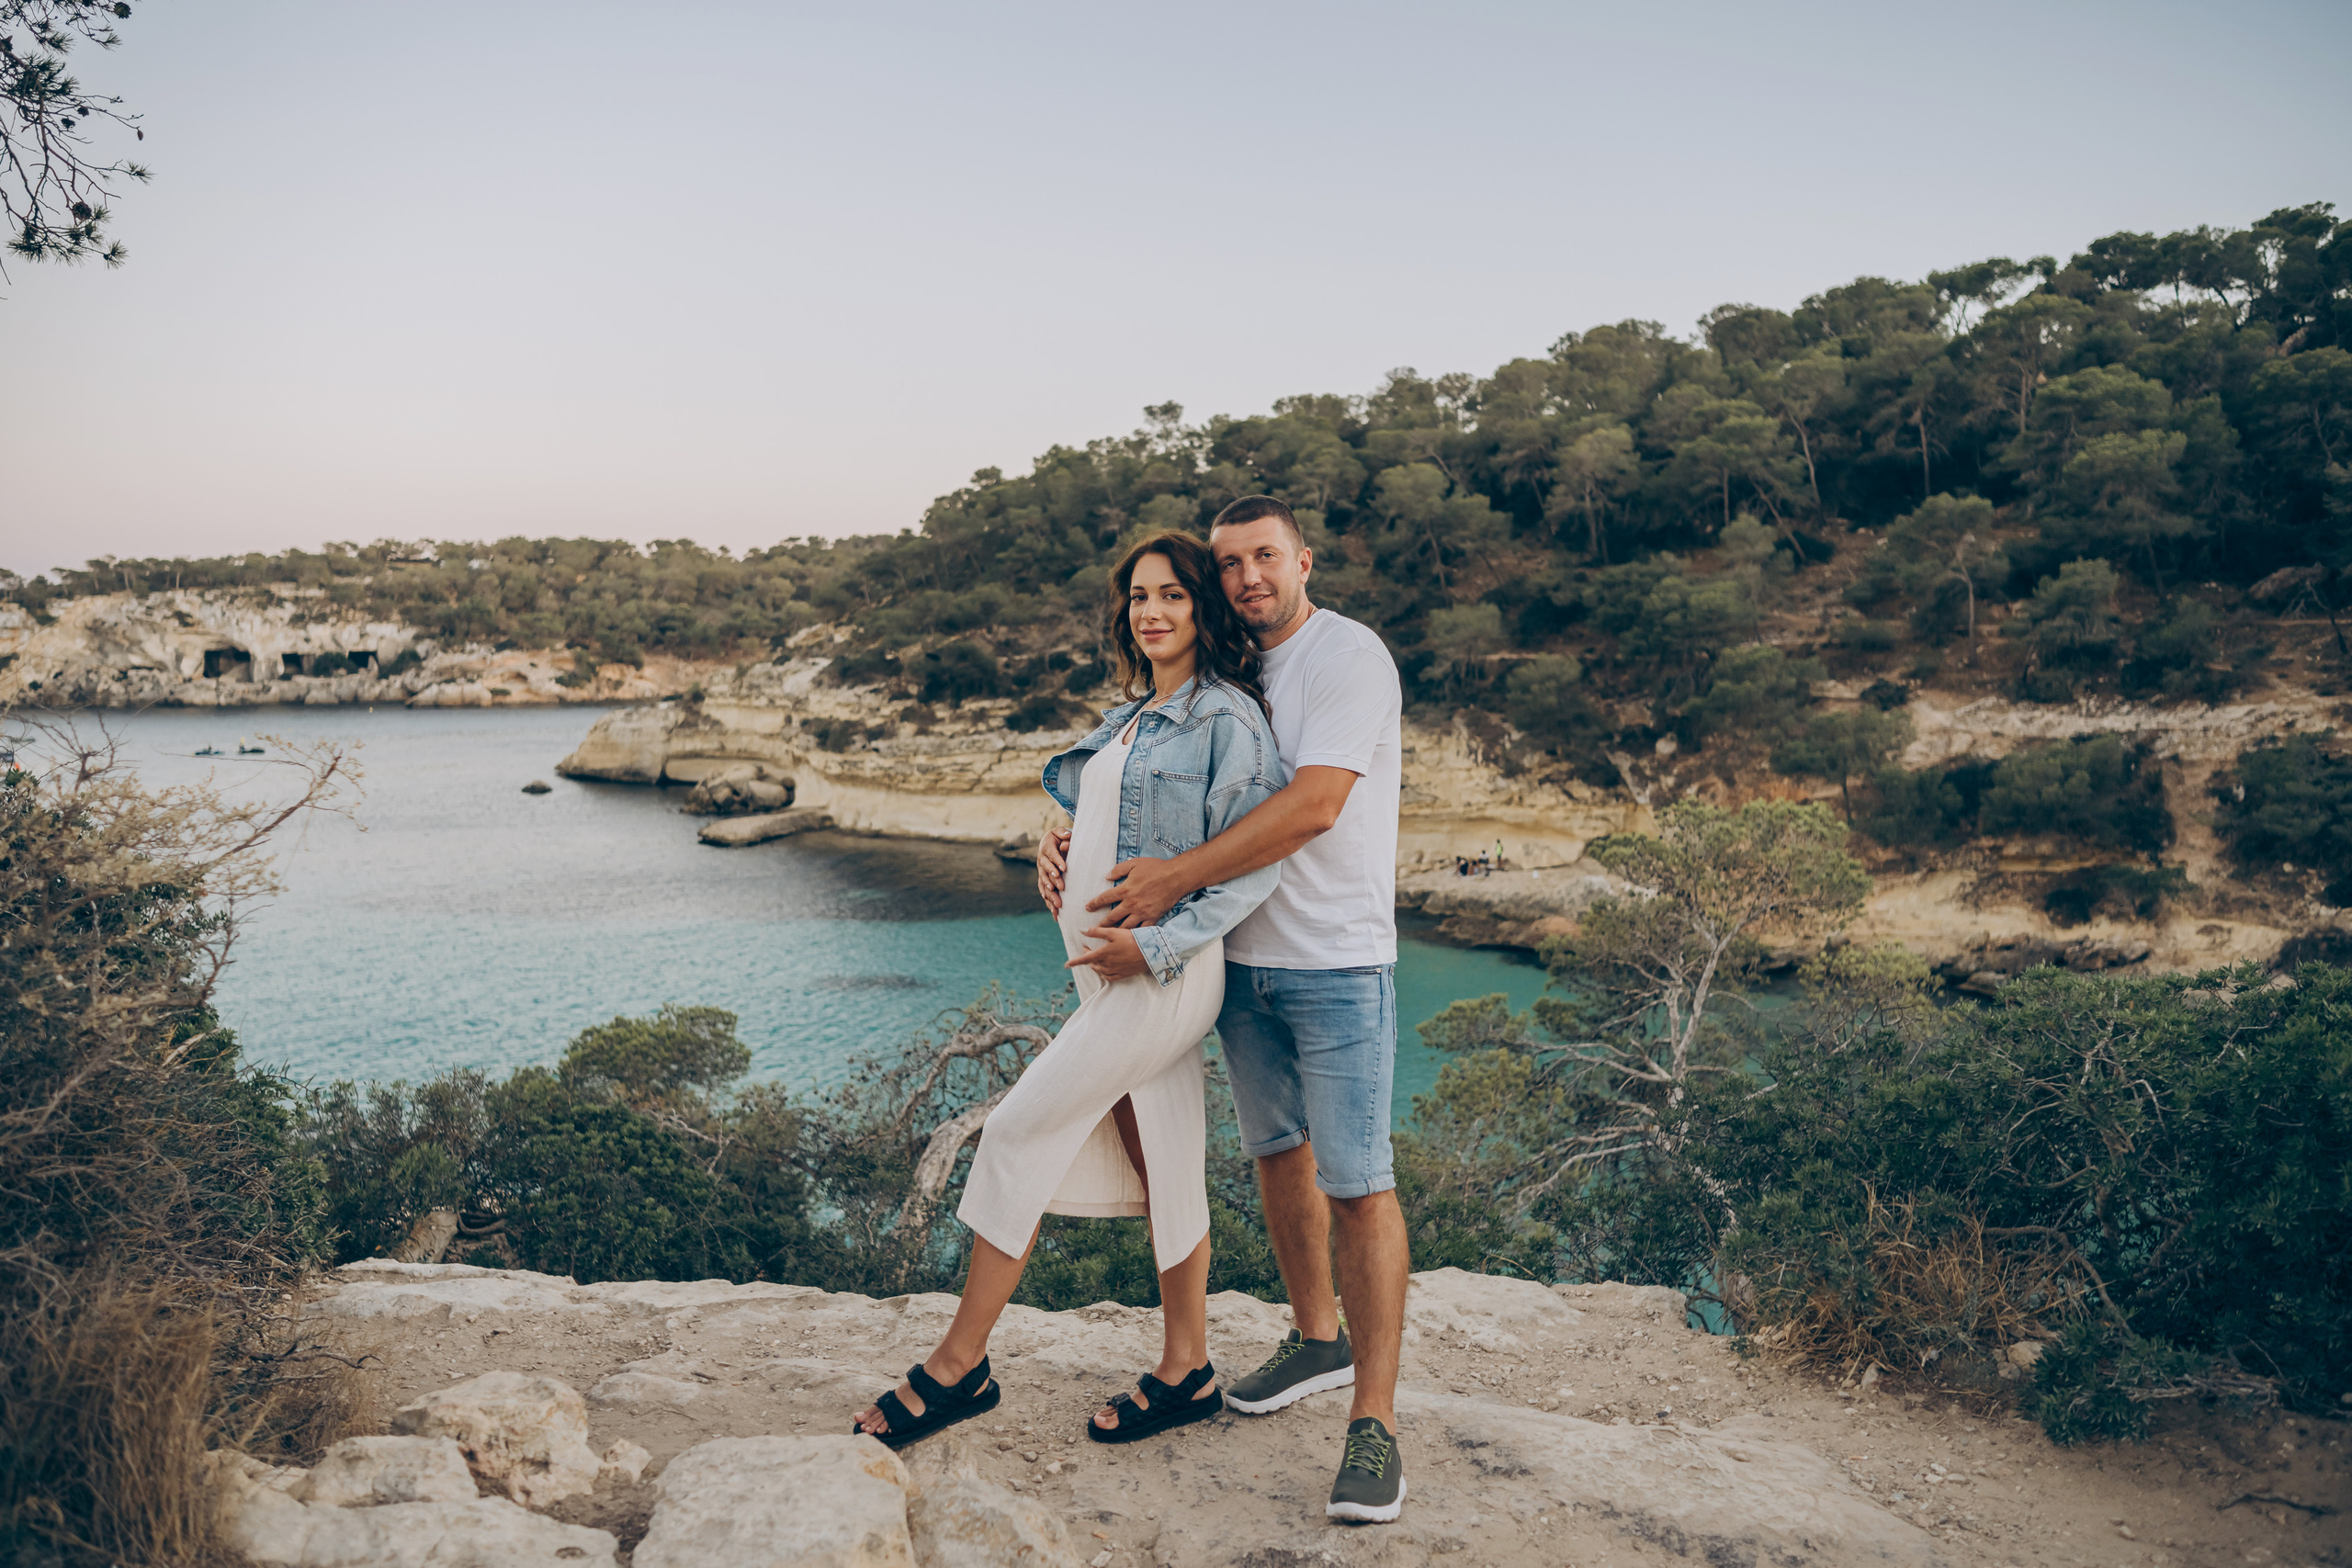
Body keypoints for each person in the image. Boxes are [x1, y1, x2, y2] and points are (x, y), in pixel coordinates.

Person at [852, 531, 1285, 1451]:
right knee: (1164, 1158)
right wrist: (1058, 846)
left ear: (1203, 608)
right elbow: (1103, 812)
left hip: (1159, 979)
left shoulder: (1225, 719)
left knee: (1015, 1131)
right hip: (1114, 983)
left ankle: (958, 1365)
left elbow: (1254, 863)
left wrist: (1159, 942)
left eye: (1171, 593)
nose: (1153, 610)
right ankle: (1188, 1369)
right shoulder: (1135, 712)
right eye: (1137, 596)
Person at [1038, 495, 1412, 1524]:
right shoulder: (1227, 675)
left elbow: (1314, 802)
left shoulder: (1346, 657)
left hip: (1336, 961)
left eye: (1264, 558)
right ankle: (1314, 1336)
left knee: (1359, 1183)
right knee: (1274, 1154)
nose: (1247, 577)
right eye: (1230, 563)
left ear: (1304, 560)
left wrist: (1166, 886)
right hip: (1236, 963)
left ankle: (1372, 1423)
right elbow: (1148, 769)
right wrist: (1065, 836)